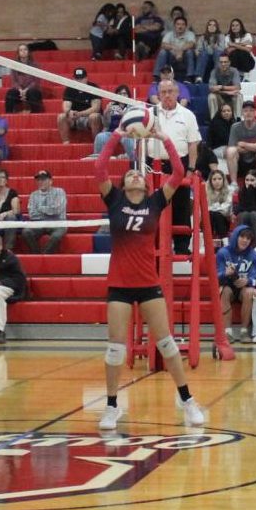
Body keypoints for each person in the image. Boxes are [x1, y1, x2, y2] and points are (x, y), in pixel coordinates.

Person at [94, 128, 205, 430]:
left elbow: (179, 170)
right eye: (129, 173)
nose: (133, 175)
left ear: (144, 182)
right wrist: (117, 135)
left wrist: (163, 137)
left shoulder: (155, 202)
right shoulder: (114, 199)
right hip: (119, 284)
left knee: (167, 344)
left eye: (137, 174)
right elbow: (99, 167)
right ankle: (112, 406)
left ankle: (187, 400)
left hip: (148, 284)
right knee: (116, 348)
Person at [147, 79, 202, 254]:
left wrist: (191, 169)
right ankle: (154, 245)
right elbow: (139, 141)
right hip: (152, 165)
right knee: (153, 206)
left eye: (170, 91)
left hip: (178, 165)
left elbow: (193, 144)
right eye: (163, 92)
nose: (167, 95)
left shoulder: (187, 115)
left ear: (177, 93)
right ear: (158, 94)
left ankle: (181, 246)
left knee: (181, 205)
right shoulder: (149, 113)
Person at [217, 225, 256, 342]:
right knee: (224, 291)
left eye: (248, 238)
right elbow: (215, 277)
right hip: (227, 286)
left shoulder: (254, 255)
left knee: (249, 292)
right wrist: (225, 273)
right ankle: (227, 332)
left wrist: (248, 281)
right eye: (242, 237)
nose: (245, 240)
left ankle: (244, 331)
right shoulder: (223, 252)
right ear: (235, 236)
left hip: (244, 288)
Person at [225, 100, 256, 190]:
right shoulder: (235, 127)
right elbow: (233, 147)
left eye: (251, 110)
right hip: (240, 162)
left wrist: (243, 144)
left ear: (255, 113)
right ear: (242, 113)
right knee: (230, 151)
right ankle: (234, 183)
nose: (248, 113)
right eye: (246, 111)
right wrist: (255, 145)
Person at [22, 170, 67, 254]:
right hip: (39, 223)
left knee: (56, 236)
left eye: (43, 179)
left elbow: (57, 210)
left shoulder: (60, 192)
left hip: (58, 223)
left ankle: (44, 256)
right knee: (26, 232)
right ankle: (36, 254)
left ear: (50, 181)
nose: (40, 182)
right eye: (38, 180)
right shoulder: (33, 195)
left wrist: (40, 208)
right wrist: (50, 211)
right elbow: (32, 215)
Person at [57, 67, 102, 143]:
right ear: (73, 79)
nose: (79, 81)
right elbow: (66, 106)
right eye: (77, 79)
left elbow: (96, 107)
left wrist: (80, 114)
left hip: (88, 118)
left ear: (86, 78)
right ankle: (66, 143)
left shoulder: (94, 87)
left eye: (81, 78)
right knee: (61, 117)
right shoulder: (69, 89)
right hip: (74, 117)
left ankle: (96, 143)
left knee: (95, 116)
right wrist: (69, 112)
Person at [93, 85, 135, 158]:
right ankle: (98, 158)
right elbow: (106, 124)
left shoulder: (132, 106)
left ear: (128, 95)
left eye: (124, 93)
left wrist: (122, 114)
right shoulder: (111, 105)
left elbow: (132, 123)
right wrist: (106, 113)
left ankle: (131, 158)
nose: (122, 95)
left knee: (129, 139)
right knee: (100, 137)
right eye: (120, 93)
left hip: (126, 133)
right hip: (112, 132)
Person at [153, 16, 196, 82]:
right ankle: (157, 76)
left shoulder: (190, 34)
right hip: (172, 58)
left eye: (182, 24)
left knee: (189, 52)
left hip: (184, 58)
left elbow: (191, 44)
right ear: (174, 26)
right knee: (162, 52)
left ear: (186, 26)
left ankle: (189, 77)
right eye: (178, 24)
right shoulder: (169, 34)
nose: (180, 26)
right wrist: (175, 49)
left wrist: (181, 50)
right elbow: (163, 44)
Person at [4, 44, 43, 113]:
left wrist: (26, 90)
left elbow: (35, 82)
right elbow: (14, 81)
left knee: (33, 93)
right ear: (18, 53)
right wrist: (20, 90)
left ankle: (35, 116)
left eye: (25, 49)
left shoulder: (35, 65)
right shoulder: (14, 66)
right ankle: (8, 116)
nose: (23, 51)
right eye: (21, 50)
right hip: (19, 92)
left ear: (28, 52)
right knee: (10, 93)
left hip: (31, 91)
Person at [207, 54, 243, 119]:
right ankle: (214, 121)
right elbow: (212, 88)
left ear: (229, 63)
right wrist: (227, 92)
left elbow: (237, 87)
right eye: (221, 62)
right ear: (218, 63)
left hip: (231, 98)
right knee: (211, 96)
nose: (223, 64)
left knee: (239, 96)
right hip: (220, 98)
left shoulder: (234, 71)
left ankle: (238, 119)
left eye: (225, 62)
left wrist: (221, 87)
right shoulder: (214, 71)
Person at [194, 18, 225, 83]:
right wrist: (197, 51)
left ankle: (218, 77)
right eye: (210, 25)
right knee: (204, 53)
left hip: (216, 57)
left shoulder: (221, 36)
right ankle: (199, 77)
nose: (212, 27)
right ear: (207, 27)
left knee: (217, 52)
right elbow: (199, 49)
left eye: (214, 25)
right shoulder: (202, 37)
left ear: (217, 27)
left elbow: (222, 48)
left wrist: (212, 47)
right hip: (205, 58)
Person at [207, 103, 236, 168]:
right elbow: (226, 139)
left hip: (230, 146)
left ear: (232, 112)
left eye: (228, 111)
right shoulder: (216, 123)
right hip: (217, 148)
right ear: (220, 113)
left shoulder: (234, 122)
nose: (226, 113)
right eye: (224, 111)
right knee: (231, 151)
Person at [207, 169, 233, 242]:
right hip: (210, 217)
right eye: (214, 179)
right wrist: (218, 206)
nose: (217, 181)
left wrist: (213, 207)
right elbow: (205, 208)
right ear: (211, 181)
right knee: (211, 214)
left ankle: (224, 241)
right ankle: (208, 240)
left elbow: (226, 208)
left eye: (219, 179)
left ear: (223, 180)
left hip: (224, 218)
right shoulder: (206, 191)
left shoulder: (229, 190)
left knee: (217, 214)